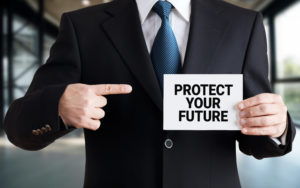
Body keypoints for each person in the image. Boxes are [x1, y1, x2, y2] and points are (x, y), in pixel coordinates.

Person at [4, 0, 296, 187]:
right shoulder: (82, 27)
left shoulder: (243, 25)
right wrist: (57, 106)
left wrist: (277, 126)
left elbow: (257, 134)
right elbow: (18, 127)